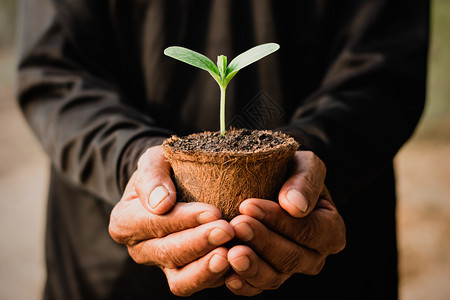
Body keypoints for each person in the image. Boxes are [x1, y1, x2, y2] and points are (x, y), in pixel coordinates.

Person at [17, 0, 429, 299]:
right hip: (114, 273)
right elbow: (55, 72)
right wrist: (132, 160)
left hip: (319, 255)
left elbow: (387, 68)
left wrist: (312, 156)